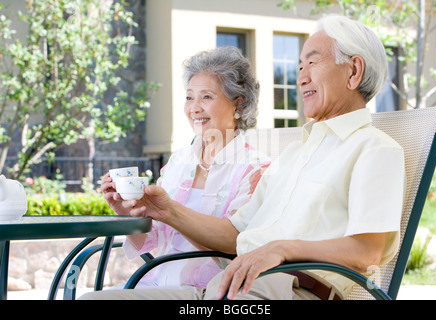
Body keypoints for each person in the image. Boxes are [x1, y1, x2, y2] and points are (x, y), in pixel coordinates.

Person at [80, 15, 405, 300]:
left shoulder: (374, 149)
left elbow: (367, 252)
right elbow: (236, 233)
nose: (301, 77)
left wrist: (282, 249)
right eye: (300, 66)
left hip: (284, 292)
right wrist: (165, 211)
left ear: (353, 71)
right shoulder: (296, 154)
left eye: (313, 62)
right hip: (228, 287)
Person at [100, 46, 270, 290]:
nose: (194, 108)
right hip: (156, 282)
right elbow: (153, 239)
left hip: (210, 291)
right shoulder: (179, 162)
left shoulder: (255, 169)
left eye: (207, 97)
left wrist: (171, 211)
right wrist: (124, 210)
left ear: (239, 106)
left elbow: (236, 241)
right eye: (189, 97)